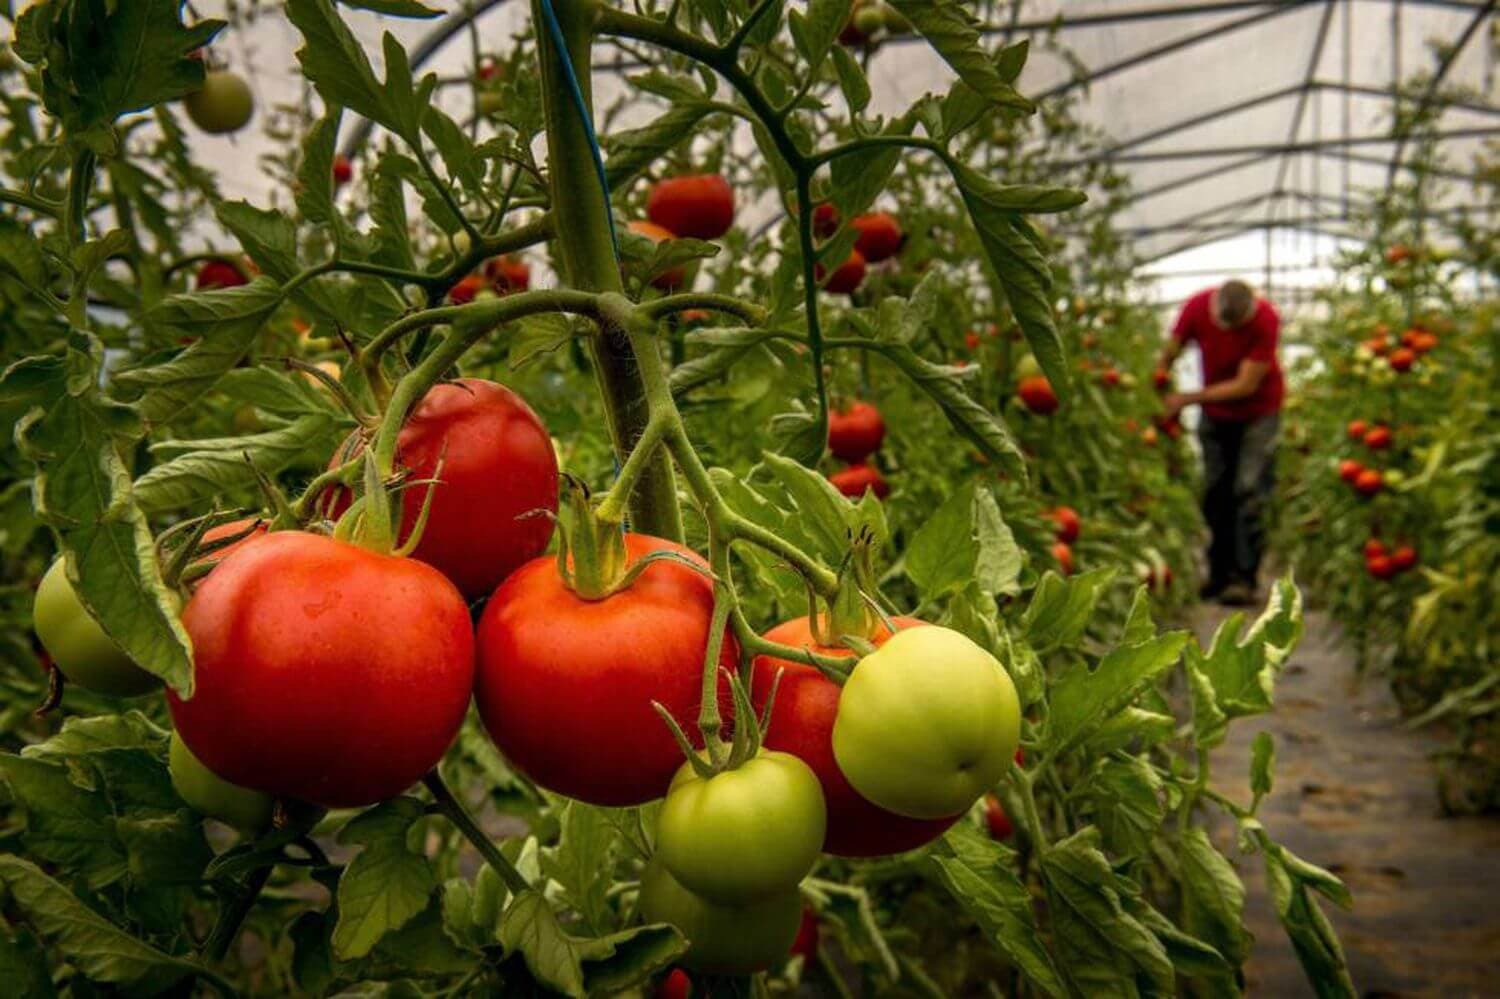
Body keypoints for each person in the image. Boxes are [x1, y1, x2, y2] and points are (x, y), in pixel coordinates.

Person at [1158, 279, 1284, 606]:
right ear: (1214, 308)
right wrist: (1156, 388)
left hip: (1259, 413)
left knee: (1249, 488)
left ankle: (1243, 579)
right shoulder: (1197, 306)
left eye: (1237, 325)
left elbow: (1246, 385)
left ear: (1251, 309)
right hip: (1215, 415)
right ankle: (1217, 575)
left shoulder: (1266, 319)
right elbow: (1170, 352)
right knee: (1216, 490)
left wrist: (1187, 398)